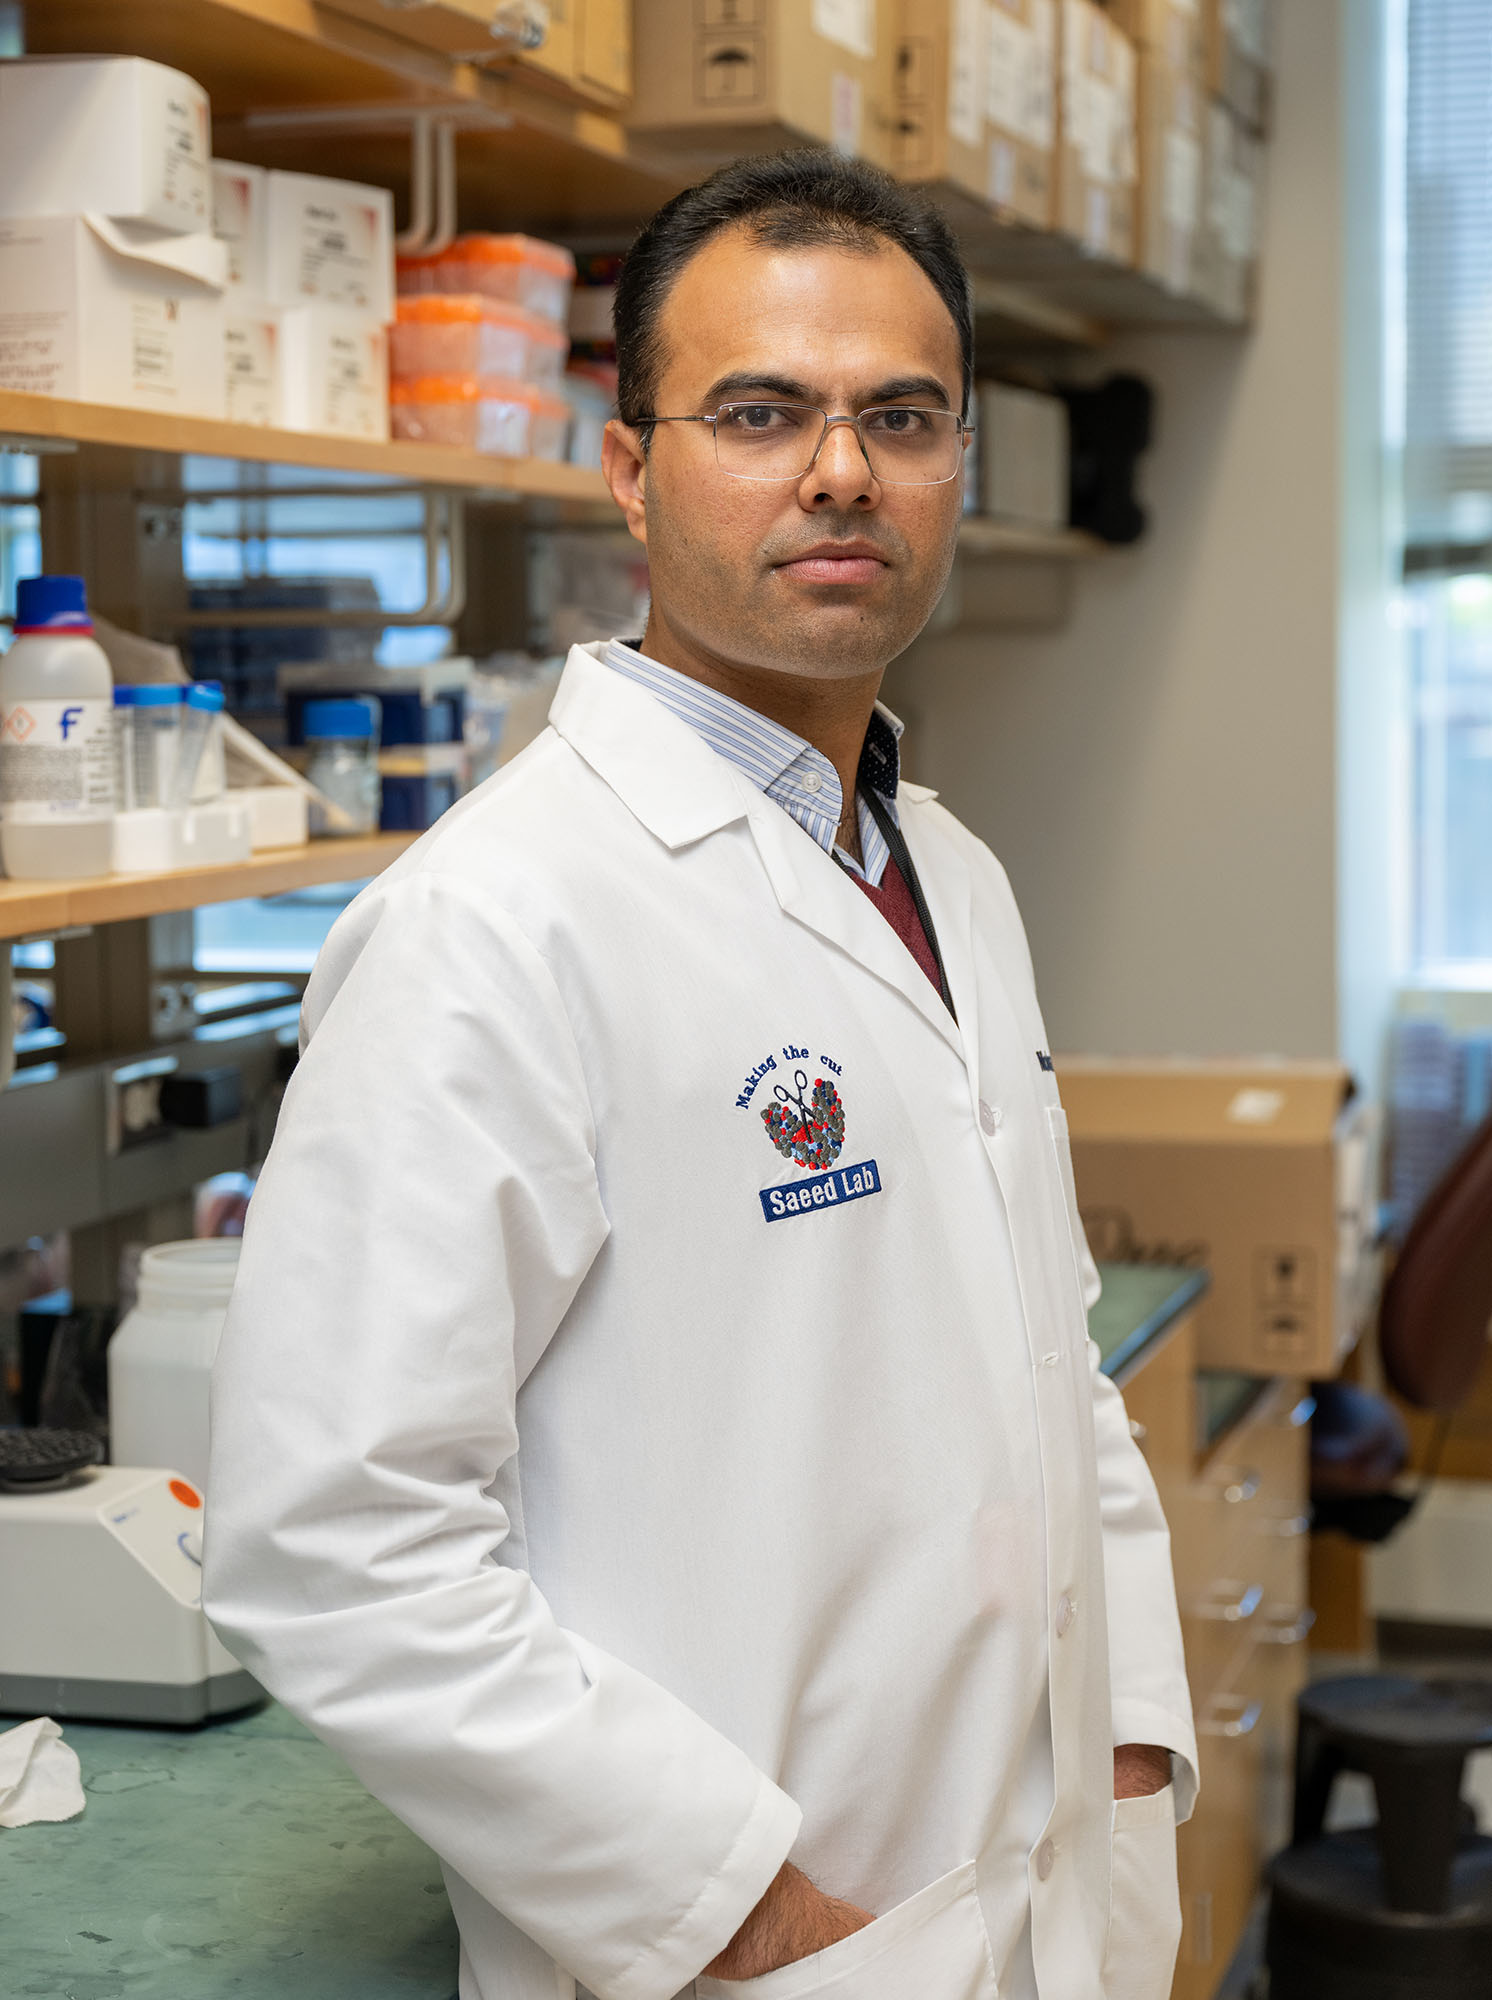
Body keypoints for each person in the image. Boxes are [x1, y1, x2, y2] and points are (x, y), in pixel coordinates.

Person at [204, 151, 1196, 2000]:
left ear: (956, 460)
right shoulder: (495, 926)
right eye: (761, 412)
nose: (841, 471)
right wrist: (754, 1925)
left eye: (902, 416)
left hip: (1049, 1913)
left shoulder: (948, 874)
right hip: (774, 1954)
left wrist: (1132, 1764)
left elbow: (1060, 1369)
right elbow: (335, 1544)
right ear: (627, 466)